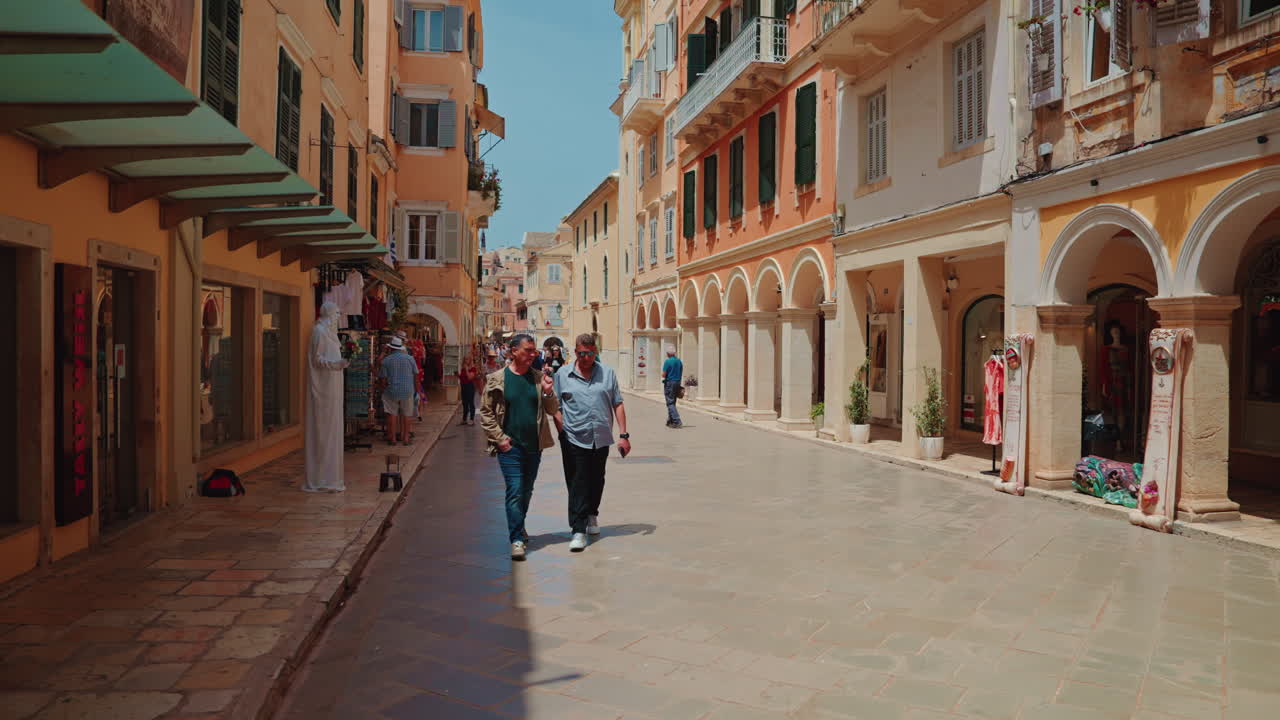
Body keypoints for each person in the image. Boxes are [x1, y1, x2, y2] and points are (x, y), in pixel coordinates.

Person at [479, 334, 559, 561]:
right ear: (513, 351)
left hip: (535, 445)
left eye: (534, 350)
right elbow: (485, 412)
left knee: (526, 490)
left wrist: (547, 390)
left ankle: (519, 524)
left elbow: (553, 409)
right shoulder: (496, 378)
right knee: (515, 490)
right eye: (528, 350)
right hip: (510, 447)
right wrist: (500, 439)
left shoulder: (538, 378)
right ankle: (516, 538)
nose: (533, 354)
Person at [553, 334, 630, 553]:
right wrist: (562, 431)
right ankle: (578, 529)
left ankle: (591, 514)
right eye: (580, 353)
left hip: (601, 436)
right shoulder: (563, 375)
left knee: (597, 479)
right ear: (575, 352)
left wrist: (624, 435)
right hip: (574, 437)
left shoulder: (607, 374)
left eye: (589, 353)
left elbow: (618, 404)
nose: (585, 357)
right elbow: (555, 405)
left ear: (595, 352)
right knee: (577, 481)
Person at [304, 302, 348, 492]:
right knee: (322, 432)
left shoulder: (329, 332)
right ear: (329, 313)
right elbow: (317, 359)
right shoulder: (319, 332)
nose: (339, 316)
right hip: (323, 390)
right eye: (337, 313)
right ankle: (320, 478)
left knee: (332, 431)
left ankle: (331, 477)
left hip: (333, 388)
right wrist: (336, 364)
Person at [380, 336, 418, 446]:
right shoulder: (410, 359)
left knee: (392, 413)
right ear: (401, 348)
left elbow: (383, 378)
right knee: (407, 414)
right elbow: (416, 375)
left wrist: (383, 389)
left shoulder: (386, 361)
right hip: (407, 390)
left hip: (391, 390)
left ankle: (392, 439)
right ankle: (406, 438)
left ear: (391, 348)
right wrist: (417, 390)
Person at [661, 345, 683, 428]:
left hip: (670, 383)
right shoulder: (679, 361)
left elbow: (663, 374)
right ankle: (670, 420)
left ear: (668, 353)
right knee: (673, 402)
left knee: (669, 402)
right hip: (677, 382)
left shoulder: (667, 361)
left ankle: (677, 421)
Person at [457, 357, 480, 425]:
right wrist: (458, 375)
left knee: (470, 403)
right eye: (465, 360)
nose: (465, 361)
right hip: (463, 386)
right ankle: (464, 419)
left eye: (467, 359)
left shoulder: (473, 369)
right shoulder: (463, 369)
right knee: (464, 403)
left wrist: (467, 369)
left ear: (470, 360)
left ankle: (471, 419)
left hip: (469, 387)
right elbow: (462, 378)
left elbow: (470, 378)